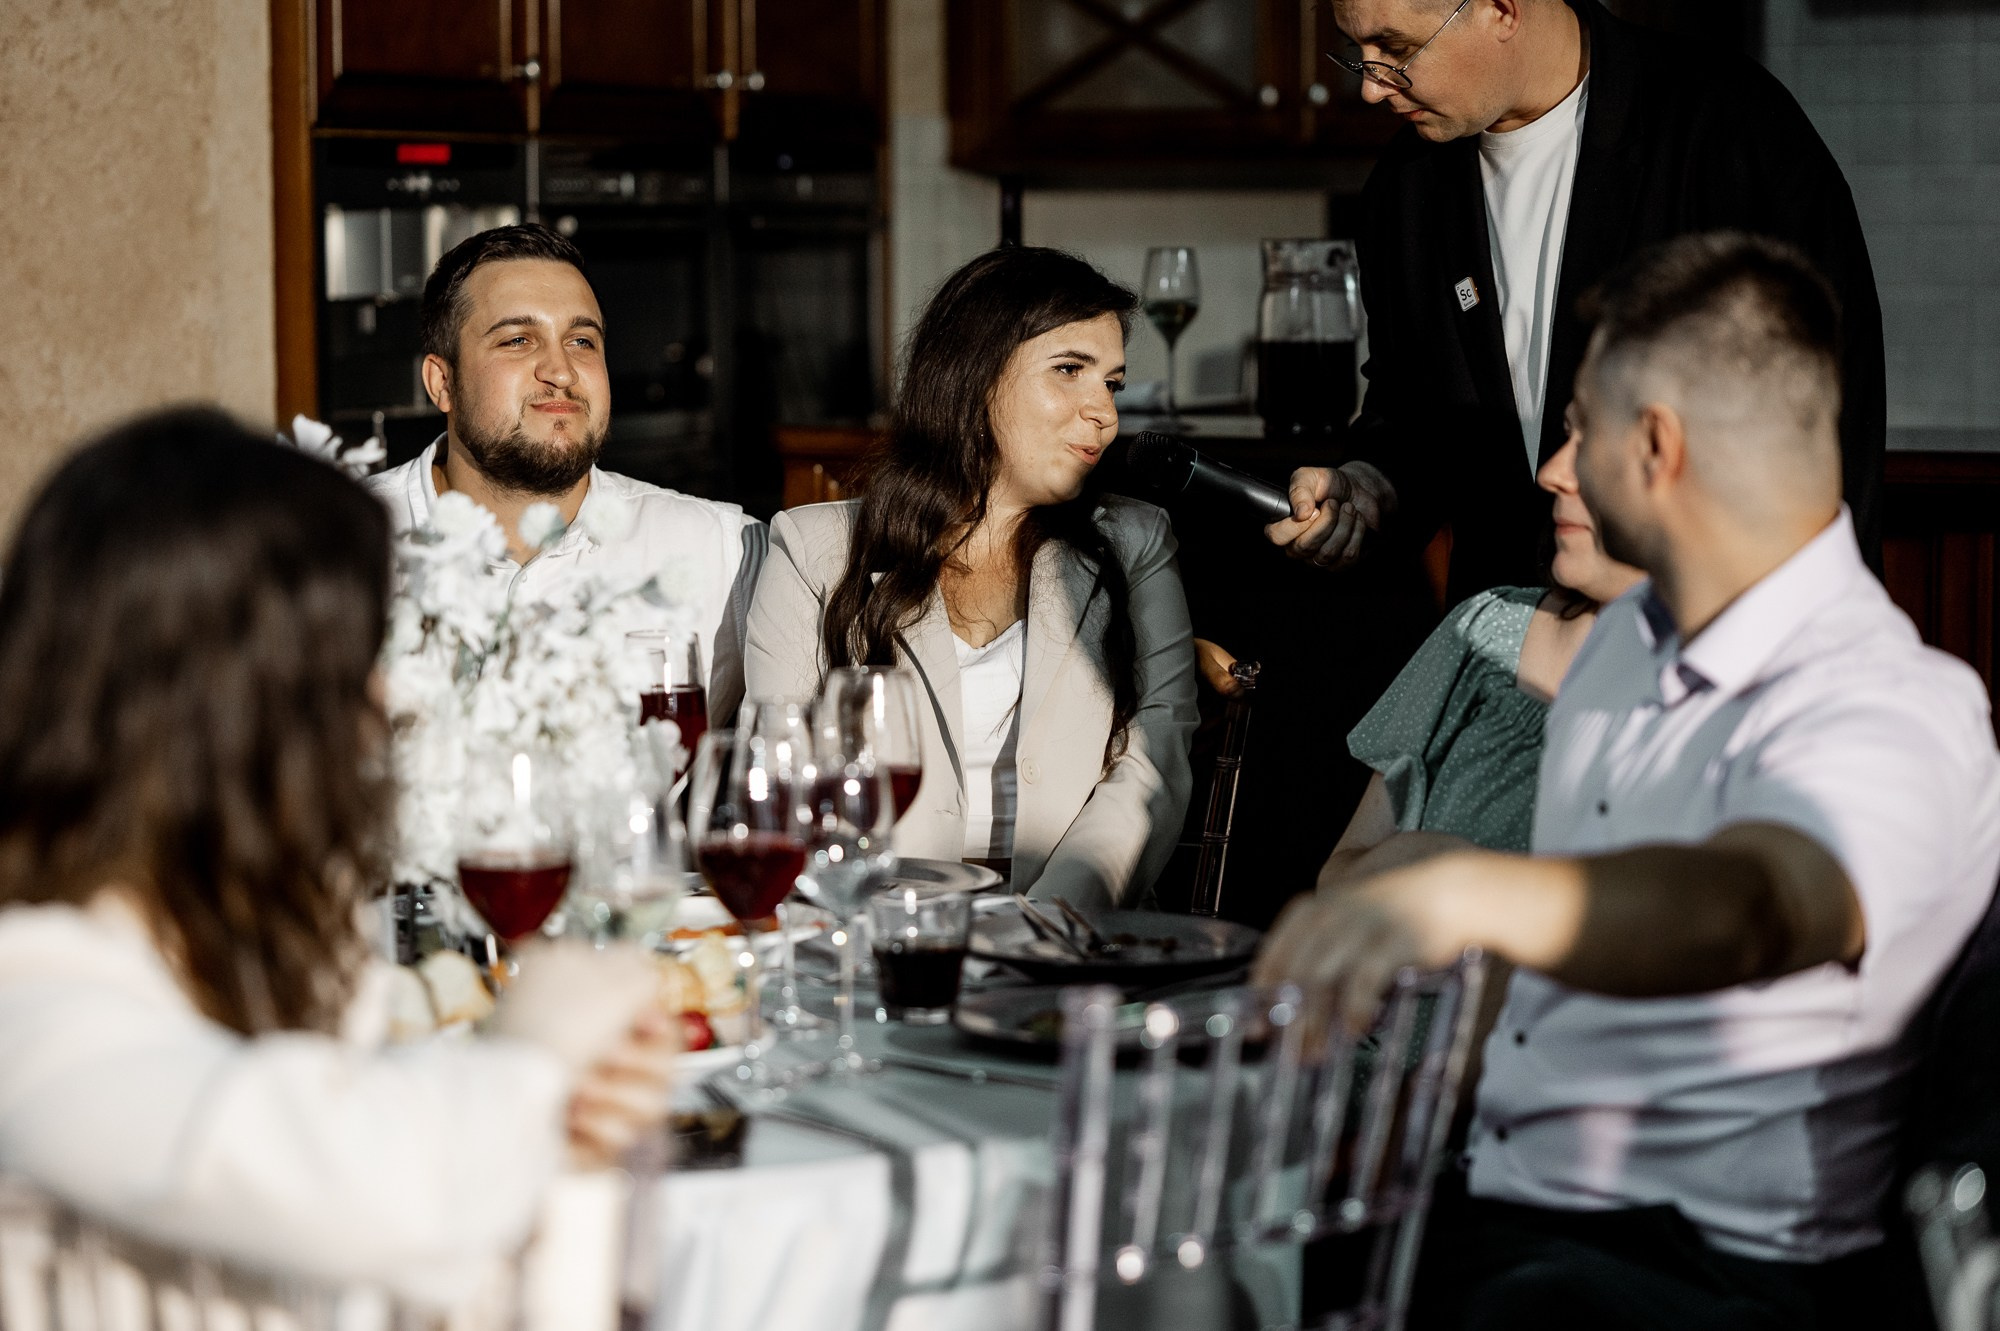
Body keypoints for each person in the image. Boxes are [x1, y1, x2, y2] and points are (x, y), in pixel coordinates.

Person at [1256, 234, 2000, 1330]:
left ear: (1655, 445)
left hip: (1713, 1272)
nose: (1552, 470)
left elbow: (1761, 901)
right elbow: (1550, 1003)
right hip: (1499, 1200)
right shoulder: (1618, 651)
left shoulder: (1884, 703)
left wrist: (1466, 890)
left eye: (1576, 429)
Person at [0, 408, 677, 1307]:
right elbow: (363, 1185)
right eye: (355, 661)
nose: (382, 698)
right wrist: (532, 1055)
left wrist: (570, 1150)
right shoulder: (34, 998)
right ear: (225, 703)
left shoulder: (266, 948)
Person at [1265, 0, 1884, 604]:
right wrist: (1372, 486)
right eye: (1357, 53)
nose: (1371, 88)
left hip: (1702, 637)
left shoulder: (1730, 127)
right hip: (1508, 642)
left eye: (1396, 49)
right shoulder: (1404, 190)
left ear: (1501, 10)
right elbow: (1411, 417)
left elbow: (1828, 424)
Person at [743, 247, 1199, 909]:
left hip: (1076, 933)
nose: (1105, 412)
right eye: (1070, 370)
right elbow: (781, 773)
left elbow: (1154, 764)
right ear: (975, 373)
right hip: (875, 920)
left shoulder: (1136, 542)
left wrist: (1048, 922)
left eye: (1112, 384)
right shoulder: (815, 549)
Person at [367, 222, 766, 725]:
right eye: (518, 340)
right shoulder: (332, 547)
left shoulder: (728, 554)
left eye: (581, 341)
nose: (561, 370)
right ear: (442, 382)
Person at [1322, 408, 1643, 884]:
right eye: (1566, 436)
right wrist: (1418, 858)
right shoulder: (1486, 629)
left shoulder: (1723, 690)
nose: (1551, 473)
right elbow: (1339, 874)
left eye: (1595, 445)